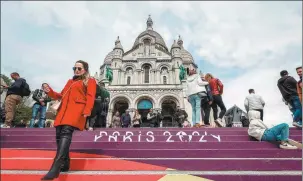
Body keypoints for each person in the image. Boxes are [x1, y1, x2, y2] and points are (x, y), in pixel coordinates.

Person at [41, 60, 96, 180]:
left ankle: (56, 166)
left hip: (76, 111)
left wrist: (87, 110)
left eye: (79, 68)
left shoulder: (90, 81)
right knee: (58, 135)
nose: (76, 70)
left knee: (66, 133)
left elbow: (91, 96)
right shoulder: (70, 82)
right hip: (62, 112)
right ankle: (65, 163)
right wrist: (49, 91)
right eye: (74, 68)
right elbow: (61, 95)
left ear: (85, 70)